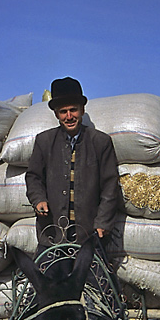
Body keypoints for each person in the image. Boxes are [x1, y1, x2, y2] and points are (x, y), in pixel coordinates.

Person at [25, 76, 120, 251]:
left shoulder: (100, 142)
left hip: (90, 236)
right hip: (52, 236)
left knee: (95, 278)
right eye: (63, 111)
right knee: (46, 277)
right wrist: (39, 200)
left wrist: (102, 222)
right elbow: (33, 177)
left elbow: (110, 186)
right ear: (56, 114)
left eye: (73, 110)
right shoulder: (44, 141)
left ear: (82, 110)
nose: (69, 116)